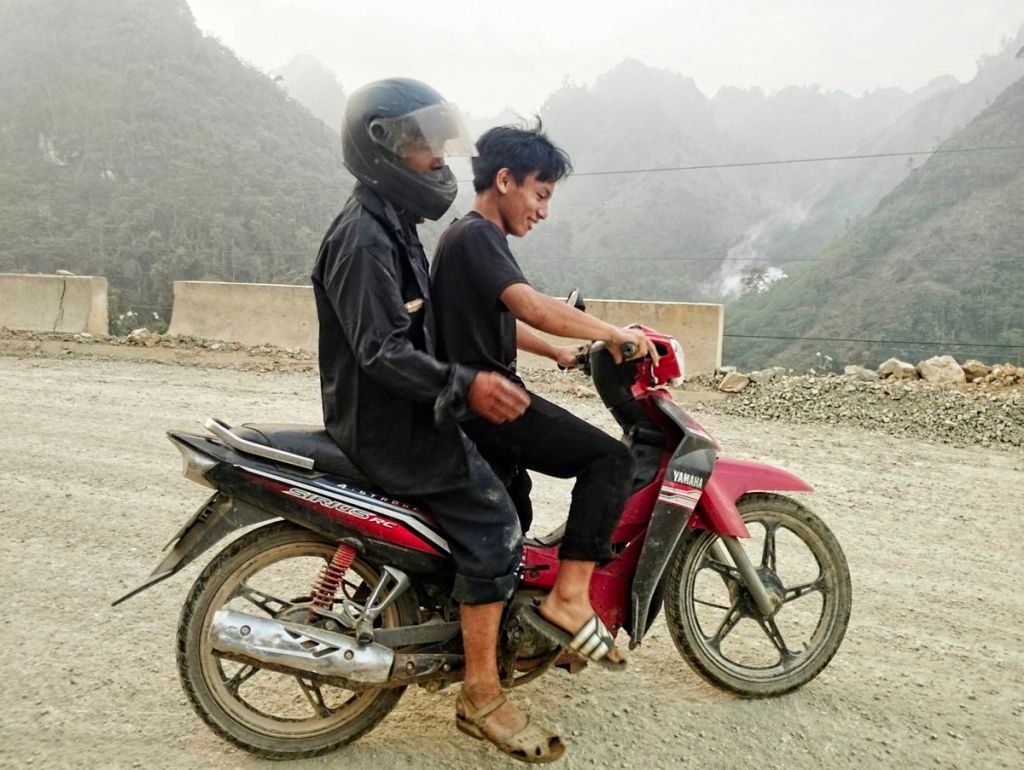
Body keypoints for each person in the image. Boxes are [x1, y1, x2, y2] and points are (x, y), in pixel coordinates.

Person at [311, 80, 565, 763]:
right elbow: (381, 351)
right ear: (382, 147)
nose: (437, 159)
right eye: (423, 145)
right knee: (495, 523)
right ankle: (480, 693)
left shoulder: (395, 224)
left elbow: (420, 334)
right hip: (390, 426)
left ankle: (480, 625)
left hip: (414, 410)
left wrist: (479, 379)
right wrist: (465, 384)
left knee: (510, 482)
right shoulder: (365, 237)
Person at [430, 124, 657, 677]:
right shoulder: (478, 237)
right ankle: (570, 599)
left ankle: (503, 634)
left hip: (475, 403)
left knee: (517, 511)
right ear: (505, 180)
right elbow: (530, 305)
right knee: (611, 460)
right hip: (489, 404)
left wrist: (557, 351)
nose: (543, 211)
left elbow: (503, 319)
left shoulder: (465, 237)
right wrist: (611, 333)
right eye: (541, 194)